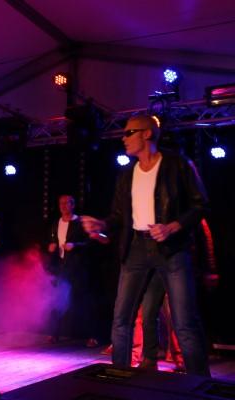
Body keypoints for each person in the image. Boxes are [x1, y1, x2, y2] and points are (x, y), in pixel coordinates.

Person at [82, 114, 210, 376]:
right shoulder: (126, 175)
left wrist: (173, 226)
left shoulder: (177, 164)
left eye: (129, 133)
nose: (123, 138)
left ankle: (199, 384)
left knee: (184, 322)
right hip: (136, 248)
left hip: (172, 249)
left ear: (147, 134)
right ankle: (120, 377)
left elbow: (200, 205)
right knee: (122, 319)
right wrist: (101, 224)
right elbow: (119, 216)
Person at [47, 194, 97, 347]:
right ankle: (54, 333)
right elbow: (54, 241)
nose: (63, 206)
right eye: (60, 203)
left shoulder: (79, 222)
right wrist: (52, 246)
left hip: (78, 268)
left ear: (72, 205)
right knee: (58, 300)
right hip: (62, 268)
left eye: (66, 203)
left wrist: (75, 246)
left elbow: (90, 243)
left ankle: (91, 336)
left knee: (82, 301)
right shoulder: (56, 223)